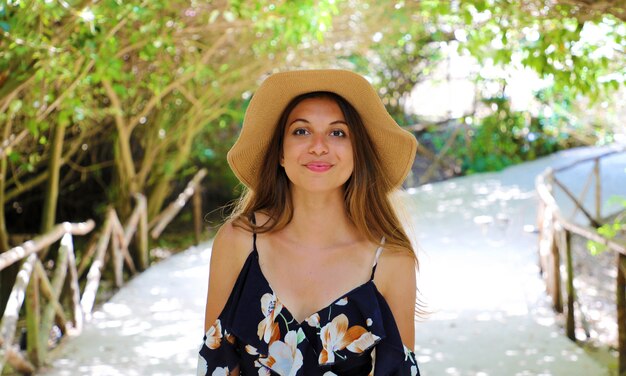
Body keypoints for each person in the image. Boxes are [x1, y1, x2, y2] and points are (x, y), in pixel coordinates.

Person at [197, 69, 420, 376]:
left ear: (358, 153)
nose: (318, 146)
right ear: (280, 153)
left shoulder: (391, 259)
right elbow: (217, 364)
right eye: (301, 131)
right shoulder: (238, 241)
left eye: (338, 133)